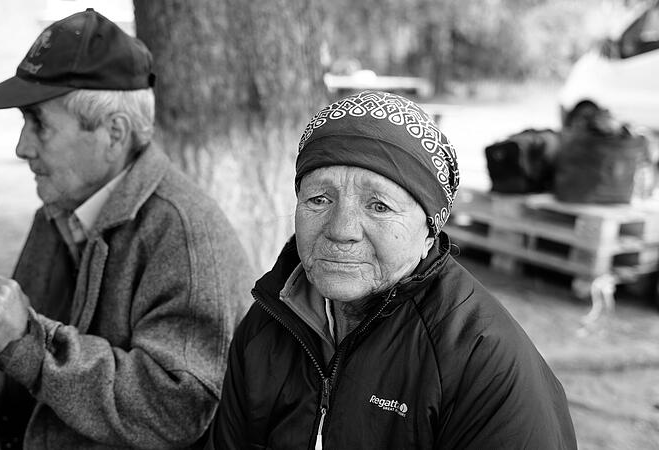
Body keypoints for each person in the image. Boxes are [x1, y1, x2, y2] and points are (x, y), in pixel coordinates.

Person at [0, 9, 252, 449]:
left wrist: (31, 342)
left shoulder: (184, 234)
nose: (21, 147)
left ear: (113, 133)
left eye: (38, 124)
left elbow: (177, 409)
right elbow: (12, 371)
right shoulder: (58, 214)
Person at [207, 91, 577, 449]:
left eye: (379, 206)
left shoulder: (481, 361)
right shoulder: (268, 324)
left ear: (430, 232)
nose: (341, 230)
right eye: (319, 199)